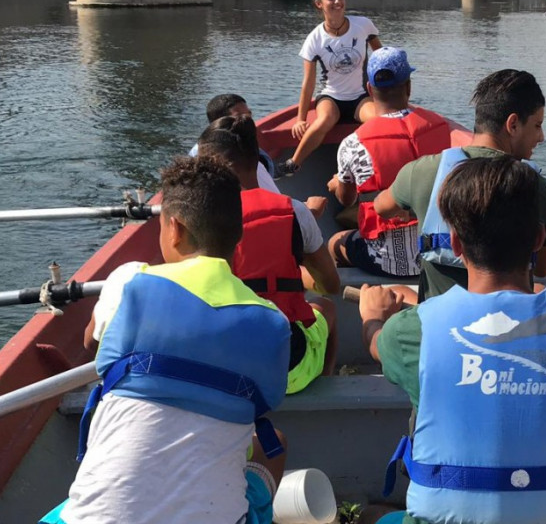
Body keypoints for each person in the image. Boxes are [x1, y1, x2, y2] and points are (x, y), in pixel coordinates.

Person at [359, 156, 546, 524]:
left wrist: (371, 317)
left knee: (371, 517)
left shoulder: (411, 331)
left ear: (456, 244)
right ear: (540, 238)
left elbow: (376, 346)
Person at [47, 156, 291, 524]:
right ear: (237, 238)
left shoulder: (127, 281)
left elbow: (92, 346)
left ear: (173, 229)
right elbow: (264, 403)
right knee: (274, 444)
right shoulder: (275, 323)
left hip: (95, 518)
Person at [373, 69, 546, 302]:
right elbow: (542, 269)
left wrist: (418, 204)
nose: (541, 137)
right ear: (512, 124)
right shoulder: (542, 191)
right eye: (537, 125)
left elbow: (381, 207)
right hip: (509, 328)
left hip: (436, 329)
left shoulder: (422, 172)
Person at [198, 115, 341, 393]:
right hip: (286, 368)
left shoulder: (199, 219)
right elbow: (331, 285)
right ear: (257, 160)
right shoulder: (296, 211)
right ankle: (323, 390)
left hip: (222, 368)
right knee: (328, 308)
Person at [327, 47, 450, 278]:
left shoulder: (352, 143)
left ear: (369, 90)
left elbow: (347, 199)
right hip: (437, 257)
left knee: (335, 242)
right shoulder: (440, 127)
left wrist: (337, 184)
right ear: (409, 87)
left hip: (384, 261)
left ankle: (360, 294)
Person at [276, 0, 382, 177]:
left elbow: (382, 58)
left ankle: (377, 166)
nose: (337, 2)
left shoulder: (363, 26)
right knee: (325, 119)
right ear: (319, 4)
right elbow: (308, 83)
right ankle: (293, 164)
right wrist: (300, 119)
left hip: (360, 96)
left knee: (378, 121)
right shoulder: (314, 39)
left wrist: (386, 95)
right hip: (330, 97)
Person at [191, 94, 327, 217]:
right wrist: (310, 212)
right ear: (219, 123)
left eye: (249, 116)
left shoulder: (197, 153)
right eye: (240, 118)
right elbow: (275, 208)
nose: (249, 122)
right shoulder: (245, 161)